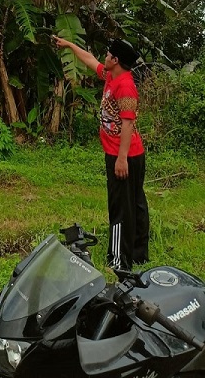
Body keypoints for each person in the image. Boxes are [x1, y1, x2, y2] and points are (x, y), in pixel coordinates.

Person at [53, 36, 149, 271]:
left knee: (120, 207)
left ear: (115, 60)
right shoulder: (111, 76)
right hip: (130, 153)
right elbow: (89, 60)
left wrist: (122, 158)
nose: (104, 57)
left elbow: (127, 123)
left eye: (107, 54)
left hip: (123, 155)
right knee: (135, 203)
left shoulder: (125, 85)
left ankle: (119, 260)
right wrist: (69, 45)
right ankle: (138, 253)